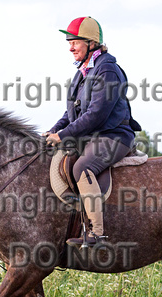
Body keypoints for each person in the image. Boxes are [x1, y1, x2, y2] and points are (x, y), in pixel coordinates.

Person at [44, 16, 135, 247]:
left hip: (113, 136)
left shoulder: (107, 71)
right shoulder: (83, 72)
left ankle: (97, 233)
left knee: (82, 166)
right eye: (69, 42)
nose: (70, 47)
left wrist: (63, 136)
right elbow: (72, 112)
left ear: (91, 43)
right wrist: (53, 131)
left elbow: (96, 115)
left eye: (75, 42)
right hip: (92, 136)